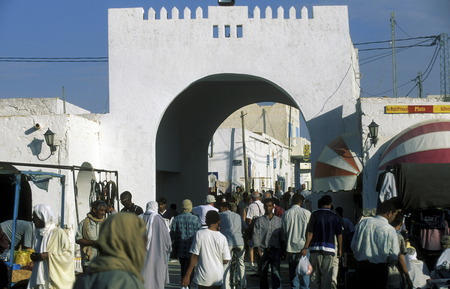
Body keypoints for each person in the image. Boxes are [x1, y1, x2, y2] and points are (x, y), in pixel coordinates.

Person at [73, 212, 146, 289]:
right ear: (127, 239)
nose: (145, 240)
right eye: (141, 235)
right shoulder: (126, 282)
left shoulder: (85, 278)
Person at [351, 199, 401, 289]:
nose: (394, 217)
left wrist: (359, 257)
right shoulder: (389, 229)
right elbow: (394, 255)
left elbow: (353, 245)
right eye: (394, 215)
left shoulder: (363, 223)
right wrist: (388, 263)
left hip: (362, 267)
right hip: (379, 269)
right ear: (389, 213)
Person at [28, 204, 75, 289]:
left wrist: (48, 255)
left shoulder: (58, 233)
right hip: (41, 276)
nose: (33, 220)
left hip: (53, 279)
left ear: (43, 217)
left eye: (35, 217)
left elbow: (69, 255)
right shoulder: (38, 234)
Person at [182, 210, 231, 289]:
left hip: (203, 277)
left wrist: (187, 275)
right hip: (218, 277)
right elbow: (226, 260)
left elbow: (194, 256)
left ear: (206, 221)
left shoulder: (200, 234)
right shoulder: (223, 238)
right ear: (219, 221)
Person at [302, 195, 342, 289]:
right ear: (330, 204)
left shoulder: (315, 214)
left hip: (315, 249)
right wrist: (340, 248)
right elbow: (339, 235)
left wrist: (306, 247)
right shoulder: (334, 216)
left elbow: (310, 233)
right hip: (329, 249)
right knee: (327, 275)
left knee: (315, 275)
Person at [253, 198, 285, 289]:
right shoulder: (259, 221)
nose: (267, 208)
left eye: (269, 206)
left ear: (273, 207)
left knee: (276, 273)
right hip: (264, 251)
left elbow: (282, 236)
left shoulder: (278, 221)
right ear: (264, 207)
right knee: (263, 273)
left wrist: (283, 250)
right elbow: (256, 235)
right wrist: (258, 249)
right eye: (266, 206)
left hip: (275, 250)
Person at [282, 193, 311, 289]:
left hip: (291, 248)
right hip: (304, 247)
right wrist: (306, 246)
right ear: (301, 202)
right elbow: (309, 232)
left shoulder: (286, 213)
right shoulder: (307, 213)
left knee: (294, 274)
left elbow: (284, 231)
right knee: (305, 273)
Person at [141, 201, 172, 289]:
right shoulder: (159, 219)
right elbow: (167, 239)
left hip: (142, 255)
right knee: (156, 279)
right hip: (158, 255)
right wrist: (169, 248)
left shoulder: (140, 217)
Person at [170, 199, 202, 284]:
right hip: (192, 249)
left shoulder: (177, 219)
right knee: (190, 268)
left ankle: (184, 283)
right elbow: (200, 234)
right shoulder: (195, 219)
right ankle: (188, 283)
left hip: (180, 248)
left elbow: (172, 234)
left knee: (183, 267)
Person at [219, 201, 247, 289]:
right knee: (241, 263)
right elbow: (245, 227)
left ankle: (226, 286)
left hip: (228, 242)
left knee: (226, 264)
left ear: (226, 208)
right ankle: (243, 284)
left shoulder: (221, 215)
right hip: (240, 242)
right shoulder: (238, 216)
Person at [75, 200, 107, 272]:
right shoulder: (84, 223)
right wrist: (93, 243)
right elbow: (78, 239)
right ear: (94, 210)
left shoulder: (106, 223)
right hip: (88, 261)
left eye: (104, 211)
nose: (103, 213)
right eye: (101, 210)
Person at [387, 212, 413, 289]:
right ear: (401, 223)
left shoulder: (382, 232)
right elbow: (401, 258)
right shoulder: (398, 236)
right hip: (393, 271)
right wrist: (407, 277)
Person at [246, 191, 264, 270]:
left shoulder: (251, 206)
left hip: (254, 227)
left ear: (252, 198)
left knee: (251, 245)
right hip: (262, 227)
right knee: (261, 245)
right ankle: (263, 260)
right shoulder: (263, 205)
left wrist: (249, 227)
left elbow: (249, 219)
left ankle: (252, 262)